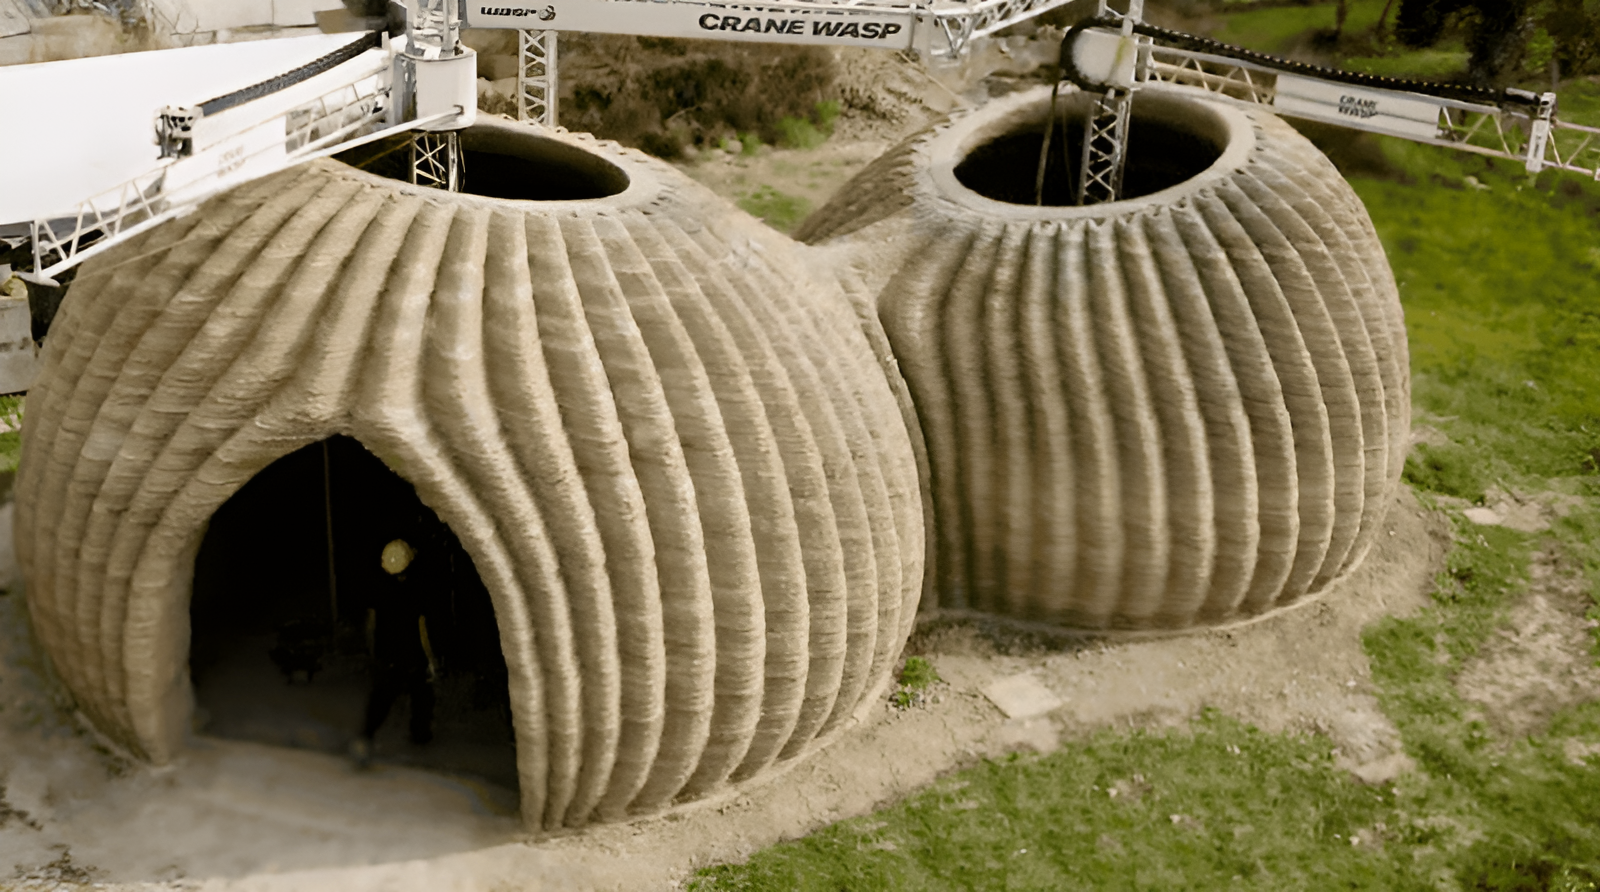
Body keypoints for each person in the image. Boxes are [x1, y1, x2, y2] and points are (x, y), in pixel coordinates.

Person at [350, 533, 442, 768]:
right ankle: (420, 740)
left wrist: (373, 652)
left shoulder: (379, 587)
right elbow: (422, 628)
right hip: (413, 656)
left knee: (382, 697)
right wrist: (431, 659)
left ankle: (366, 736)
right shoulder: (416, 589)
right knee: (422, 696)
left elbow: (370, 623)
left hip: (387, 655)